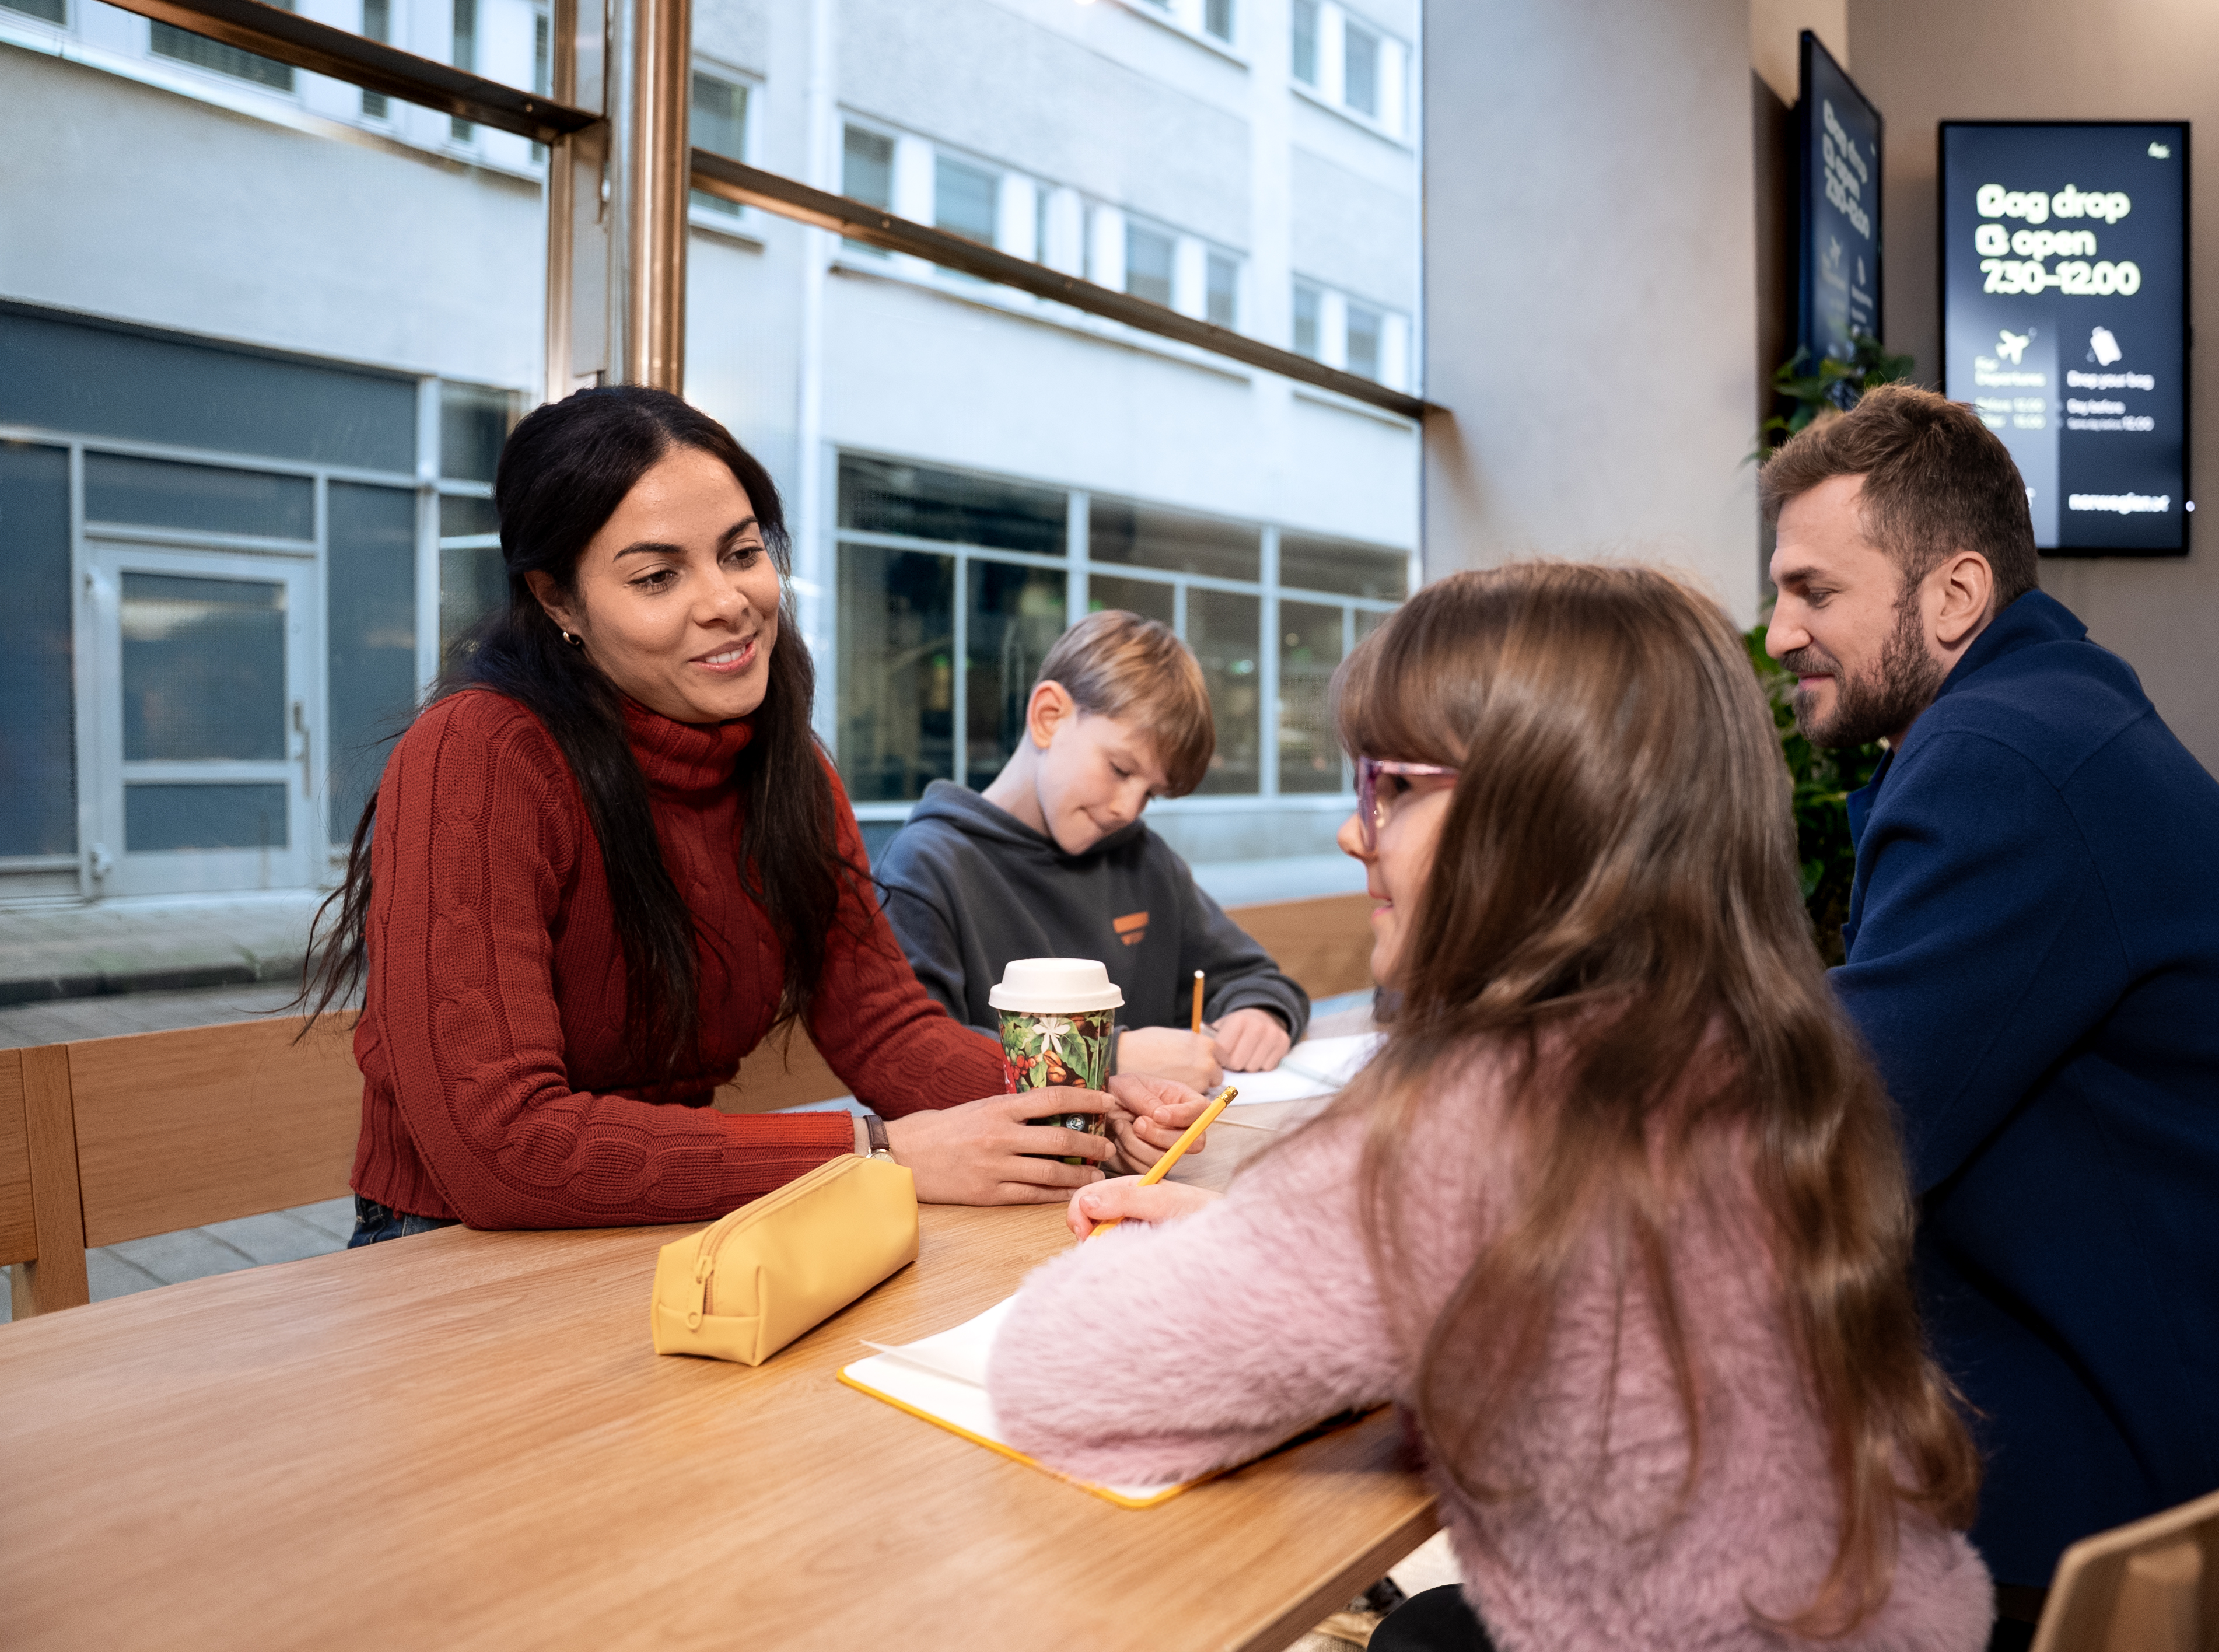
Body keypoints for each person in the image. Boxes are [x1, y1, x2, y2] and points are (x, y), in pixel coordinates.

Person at [983, 562, 1995, 1652]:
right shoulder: (1759, 1053)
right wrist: (1274, 1247)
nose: (1353, 830)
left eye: (1394, 786)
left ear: (1535, 822)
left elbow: (1050, 1374)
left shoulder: (1475, 1124)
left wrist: (1255, 1247)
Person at [1758, 385, 2219, 1608]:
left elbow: (1827, 1152)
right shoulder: (2044, 715)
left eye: (1812, 591)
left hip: (2158, 1458)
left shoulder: (1998, 763)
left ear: (1952, 596)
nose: (1776, 634)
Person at [302, 387, 1205, 1242]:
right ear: (558, 600)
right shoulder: (481, 754)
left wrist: (1089, 1104)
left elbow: (888, 1027)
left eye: (741, 553)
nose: (728, 602)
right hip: (446, 1246)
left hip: (676, 1221)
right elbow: (501, 1149)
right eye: (658, 577)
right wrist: (877, 1151)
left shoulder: (786, 766)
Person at [874, 610, 1310, 1091]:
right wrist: (1112, 1057)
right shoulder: (925, 867)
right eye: (1121, 770)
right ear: (1049, 717)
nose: (1129, 809)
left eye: (1150, 794)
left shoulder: (1143, 859)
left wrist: (1261, 1013)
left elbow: (1252, 976)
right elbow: (920, 1061)